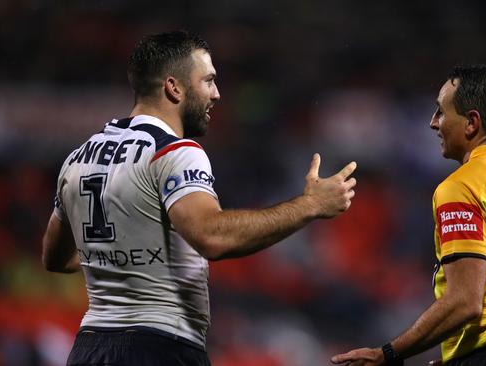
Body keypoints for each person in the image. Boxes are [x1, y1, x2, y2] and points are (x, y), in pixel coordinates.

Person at [41, 30, 357, 366]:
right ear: (174, 87)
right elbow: (212, 237)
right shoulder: (175, 152)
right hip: (159, 347)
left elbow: (55, 258)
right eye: (208, 81)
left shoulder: (79, 158)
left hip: (89, 351)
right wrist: (310, 205)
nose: (217, 94)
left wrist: (120, 255)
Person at [331, 64, 486, 366]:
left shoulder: (463, 186)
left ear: (471, 122)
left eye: (441, 112)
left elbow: (465, 301)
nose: (433, 123)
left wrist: (389, 353)